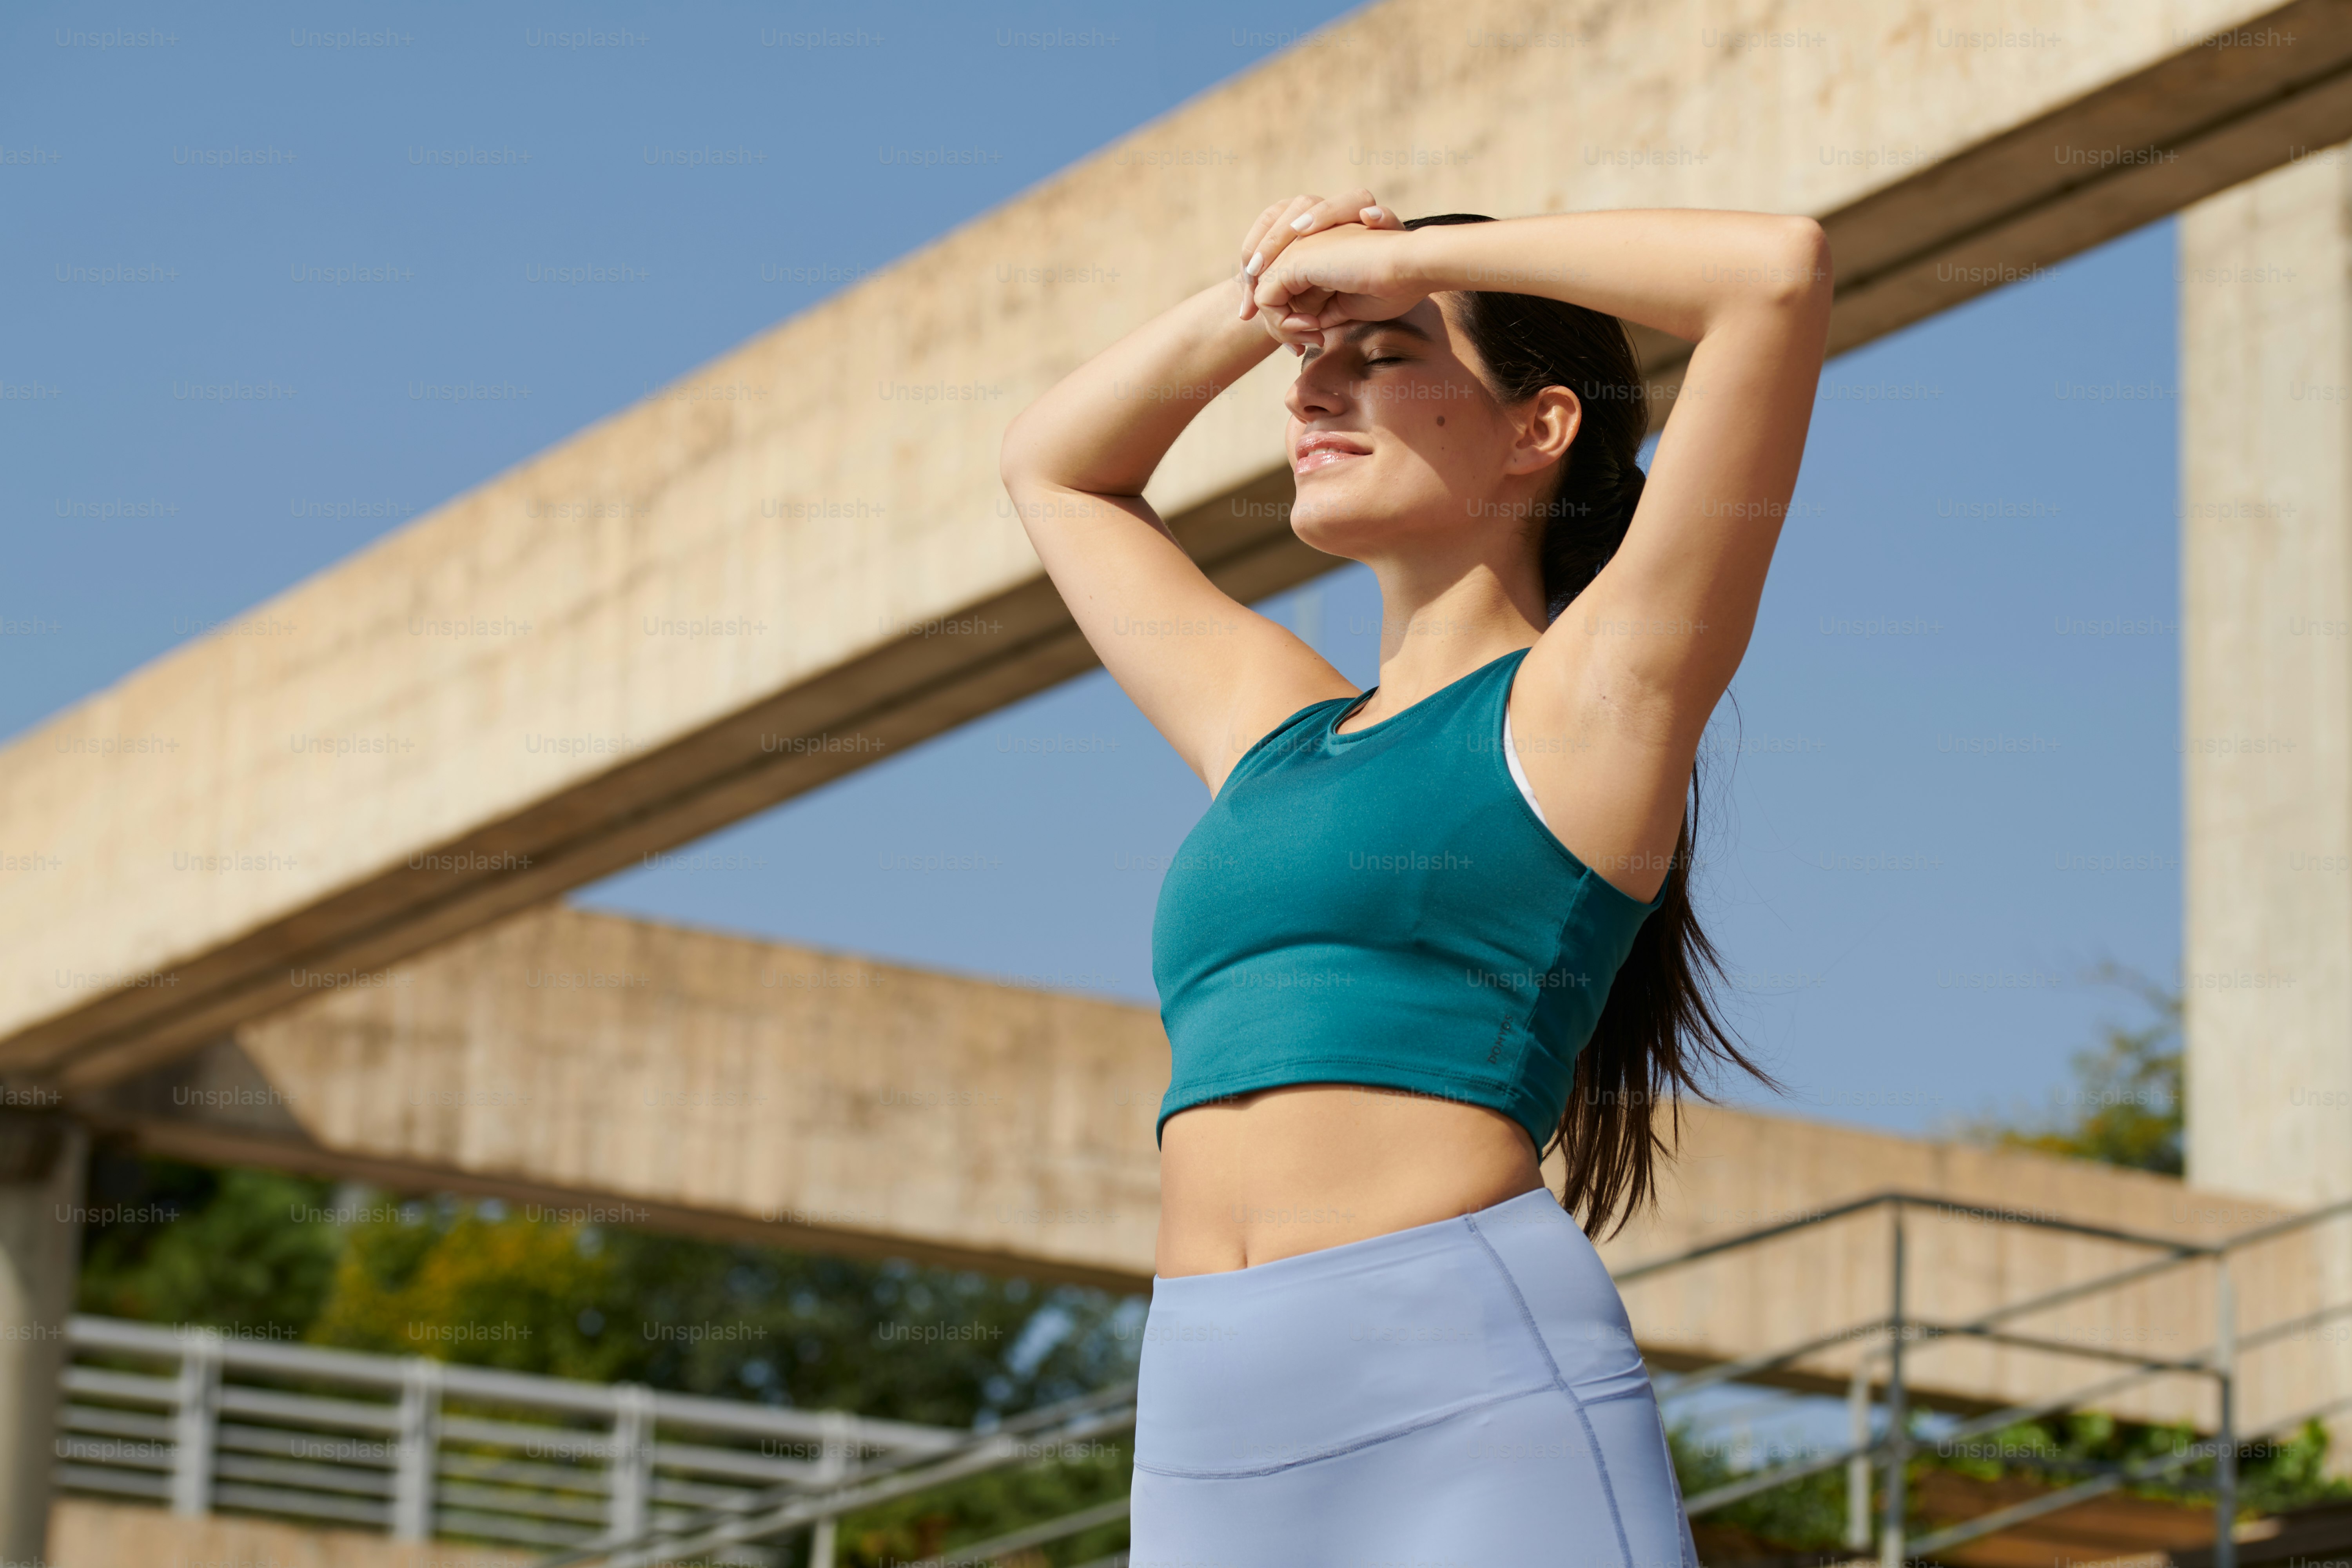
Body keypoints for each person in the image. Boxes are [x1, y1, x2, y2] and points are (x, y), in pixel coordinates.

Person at [998, 189, 1830, 1564]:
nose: (1312, 392)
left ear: (1539, 428)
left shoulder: (1593, 700)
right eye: (1308, 367)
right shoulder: (1272, 729)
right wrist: (1270, 297)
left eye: (1385, 357)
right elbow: (1055, 469)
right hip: (1203, 1417)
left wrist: (1412, 259)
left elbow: (1776, 275)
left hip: (1467, 1390)